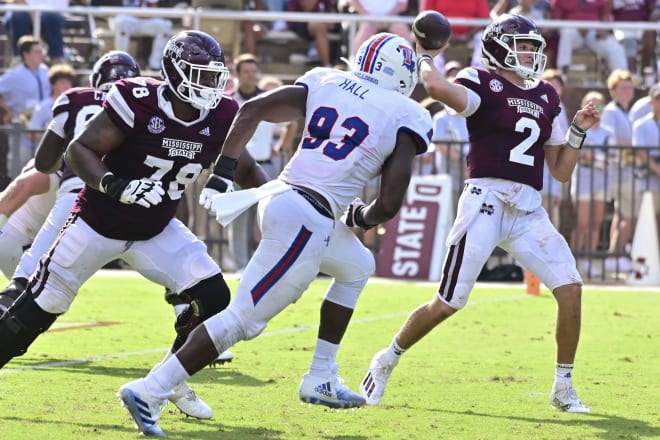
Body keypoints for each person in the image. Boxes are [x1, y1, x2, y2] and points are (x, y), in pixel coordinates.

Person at [116, 32, 432, 436]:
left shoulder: (327, 80)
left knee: (357, 265)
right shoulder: (407, 112)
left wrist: (224, 173)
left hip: (280, 196)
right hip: (307, 215)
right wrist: (365, 218)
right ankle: (150, 389)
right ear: (402, 75)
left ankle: (321, 375)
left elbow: (250, 110)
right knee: (242, 321)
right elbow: (389, 202)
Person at [0, 31, 268, 419]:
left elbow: (245, 166)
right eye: (200, 75)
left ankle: (167, 380)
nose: (211, 86)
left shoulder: (222, 114)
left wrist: (275, 199)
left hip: (154, 229)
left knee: (212, 295)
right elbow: (79, 150)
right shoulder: (138, 101)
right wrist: (115, 184)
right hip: (96, 222)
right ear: (175, 73)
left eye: (214, 76)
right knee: (37, 308)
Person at [359, 14, 599, 413]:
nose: (528, 53)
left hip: (527, 209)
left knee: (571, 288)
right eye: (521, 45)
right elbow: (435, 86)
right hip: (485, 201)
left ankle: (563, 386)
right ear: (498, 47)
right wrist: (424, 54)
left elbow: (560, 170)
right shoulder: (481, 79)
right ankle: (386, 359)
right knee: (448, 302)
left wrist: (577, 130)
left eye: (532, 47)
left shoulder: (548, 96)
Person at [571, 91, 614, 278]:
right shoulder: (580, 129)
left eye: (600, 105)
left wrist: (596, 158)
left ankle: (587, 260)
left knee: (596, 223)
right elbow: (577, 152)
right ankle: (572, 261)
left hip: (601, 181)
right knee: (582, 224)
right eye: (591, 104)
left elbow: (611, 156)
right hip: (583, 179)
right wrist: (594, 158)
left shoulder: (607, 132)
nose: (596, 109)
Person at [0, 160, 58, 284]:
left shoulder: (46, 155)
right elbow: (24, 184)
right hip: (17, 239)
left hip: (11, 234)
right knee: (45, 297)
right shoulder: (65, 163)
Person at [600, 69, 635, 274]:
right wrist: (636, 143)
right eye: (622, 87)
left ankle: (615, 254)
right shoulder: (611, 111)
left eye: (629, 87)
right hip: (618, 171)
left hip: (627, 171)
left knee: (623, 215)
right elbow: (610, 139)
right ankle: (615, 254)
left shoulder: (626, 111)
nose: (627, 91)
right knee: (627, 215)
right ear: (613, 90)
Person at [551, 0, 628, 77]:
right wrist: (577, 26)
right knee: (567, 33)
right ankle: (562, 74)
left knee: (616, 49)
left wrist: (604, 29)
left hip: (594, 31)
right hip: (572, 32)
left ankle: (621, 78)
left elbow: (606, 17)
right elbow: (556, 20)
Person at [110, 0, 173, 71]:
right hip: (129, 18)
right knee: (120, 22)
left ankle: (154, 66)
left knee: (165, 25)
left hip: (147, 19)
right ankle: (122, 61)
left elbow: (153, 6)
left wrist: (144, 13)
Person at [27, 63, 77, 146]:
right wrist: (56, 138)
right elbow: (31, 134)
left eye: (68, 82)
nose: (66, 85)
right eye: (62, 82)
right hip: (47, 155)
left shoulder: (75, 105)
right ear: (52, 85)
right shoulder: (43, 107)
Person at [2, 0, 67, 63]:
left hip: (47, 15)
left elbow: (58, 9)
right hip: (21, 12)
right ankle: (20, 60)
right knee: (19, 16)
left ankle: (56, 60)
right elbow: (17, 1)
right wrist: (35, 19)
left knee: (53, 18)